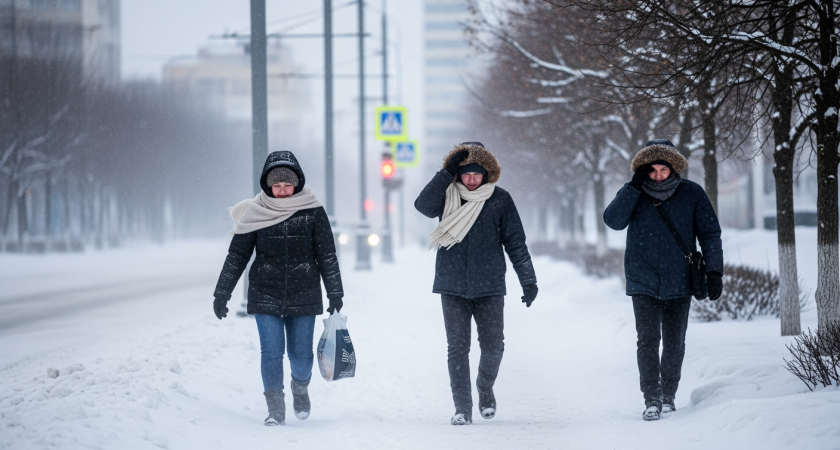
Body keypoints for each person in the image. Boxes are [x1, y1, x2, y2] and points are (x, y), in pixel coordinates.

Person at [212, 151, 344, 426]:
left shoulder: (312, 210)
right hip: (265, 292)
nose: (282, 191)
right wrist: (222, 292)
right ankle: (275, 408)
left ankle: (300, 387)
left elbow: (327, 255)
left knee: (301, 357)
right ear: (267, 185)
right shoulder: (255, 212)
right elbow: (237, 255)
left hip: (304, 292)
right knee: (271, 353)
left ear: (297, 183)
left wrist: (335, 292)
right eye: (276, 185)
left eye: (287, 185)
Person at [414, 142, 538, 425]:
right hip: (452, 286)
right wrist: (445, 174)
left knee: (494, 347)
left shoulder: (500, 199)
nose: (471, 180)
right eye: (465, 174)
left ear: (487, 173)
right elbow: (422, 206)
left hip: (489, 287)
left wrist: (528, 280)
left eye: (476, 174)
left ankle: (484, 386)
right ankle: (462, 408)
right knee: (457, 350)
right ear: (458, 174)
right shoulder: (447, 195)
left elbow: (516, 243)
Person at [603, 139, 723, 421]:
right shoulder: (634, 191)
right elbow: (613, 221)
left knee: (674, 342)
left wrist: (714, 271)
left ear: (673, 168)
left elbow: (710, 234)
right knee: (647, 340)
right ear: (643, 170)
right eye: (652, 170)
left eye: (663, 170)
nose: (657, 176)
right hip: (642, 278)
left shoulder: (692, 193)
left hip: (680, 278)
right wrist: (633, 188)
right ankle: (652, 398)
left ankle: (668, 395)